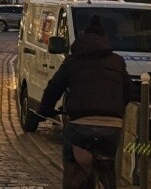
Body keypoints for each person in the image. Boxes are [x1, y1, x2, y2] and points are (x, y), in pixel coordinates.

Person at [38, 15, 129, 189]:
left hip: (80, 125)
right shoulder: (117, 61)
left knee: (73, 165)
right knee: (107, 162)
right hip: (112, 126)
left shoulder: (73, 61)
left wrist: (45, 110)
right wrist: (117, 110)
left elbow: (53, 88)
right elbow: (130, 92)